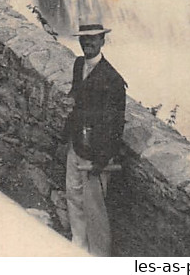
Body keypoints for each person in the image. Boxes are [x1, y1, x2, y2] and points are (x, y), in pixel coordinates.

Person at [63, 22, 126, 257]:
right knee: (74, 197)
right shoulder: (79, 64)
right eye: (83, 39)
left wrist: (102, 159)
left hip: (95, 153)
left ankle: (98, 257)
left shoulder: (113, 80)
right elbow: (77, 98)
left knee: (95, 208)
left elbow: (115, 124)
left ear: (102, 41)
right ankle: (77, 245)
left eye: (92, 39)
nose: (87, 43)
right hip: (76, 143)